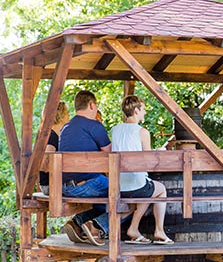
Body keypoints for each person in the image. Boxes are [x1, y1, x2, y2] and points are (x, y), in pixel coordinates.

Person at [110, 95, 173, 245]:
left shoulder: (115, 130)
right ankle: (158, 230)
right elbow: (149, 161)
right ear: (136, 110)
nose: (145, 113)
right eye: (143, 109)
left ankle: (133, 229)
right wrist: (160, 152)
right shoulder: (142, 132)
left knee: (148, 188)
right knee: (160, 190)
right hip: (136, 184)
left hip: (118, 185)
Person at [59, 90, 111, 246]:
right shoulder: (95, 126)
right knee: (127, 194)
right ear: (91, 104)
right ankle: (96, 226)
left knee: (105, 200)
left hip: (65, 187)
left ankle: (77, 223)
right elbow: (111, 155)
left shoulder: (65, 128)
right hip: (88, 184)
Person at [39, 101, 69, 195]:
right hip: (50, 185)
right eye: (67, 113)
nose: (69, 116)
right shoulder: (51, 136)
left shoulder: (56, 134)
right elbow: (44, 165)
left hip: (55, 183)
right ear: (61, 115)